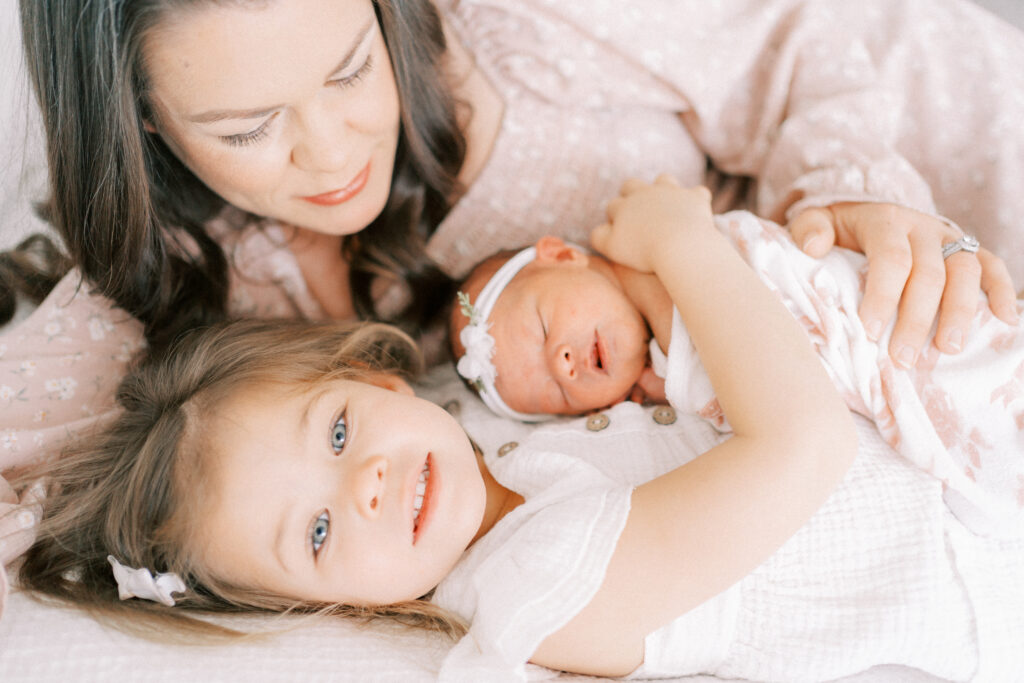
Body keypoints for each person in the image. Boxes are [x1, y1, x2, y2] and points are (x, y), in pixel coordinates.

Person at [2, 0, 1024, 614]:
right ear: (140, 113)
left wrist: (856, 195)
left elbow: (801, 44)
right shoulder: (178, 279)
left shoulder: (520, 30)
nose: (330, 151)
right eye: (248, 126)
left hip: (953, 157)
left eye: (352, 67)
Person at [10, 180, 1024, 681]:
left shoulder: (493, 423)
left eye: (335, 433)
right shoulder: (535, 583)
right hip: (983, 551)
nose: (360, 483)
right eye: (316, 535)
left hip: (960, 432)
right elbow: (803, 447)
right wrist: (680, 241)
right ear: (336, 609)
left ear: (377, 375)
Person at [449, 179, 1024, 535]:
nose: (565, 361)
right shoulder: (677, 381)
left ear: (561, 255)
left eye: (547, 325)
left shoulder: (664, 239)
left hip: (936, 321)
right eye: (557, 391)